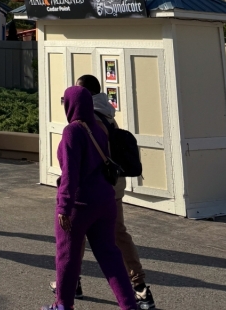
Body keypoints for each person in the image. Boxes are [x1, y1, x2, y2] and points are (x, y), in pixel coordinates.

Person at [43, 85, 137, 310]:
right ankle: (129, 305)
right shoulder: (98, 129)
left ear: (71, 105)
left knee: (67, 257)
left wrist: (64, 207)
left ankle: (63, 305)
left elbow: (70, 174)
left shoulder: (72, 131)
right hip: (105, 201)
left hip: (80, 204)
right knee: (110, 257)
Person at [71, 75, 156, 309]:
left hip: (92, 188)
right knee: (118, 234)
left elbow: (84, 157)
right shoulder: (108, 115)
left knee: (76, 234)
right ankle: (140, 287)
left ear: (84, 94)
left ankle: (72, 282)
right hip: (114, 185)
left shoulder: (88, 120)